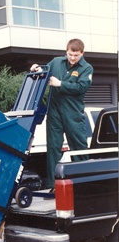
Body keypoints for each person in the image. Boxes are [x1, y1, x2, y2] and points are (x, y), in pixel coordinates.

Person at [30, 39, 94, 191]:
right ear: (66, 51)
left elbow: (81, 87)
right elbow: (44, 71)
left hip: (73, 113)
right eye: (70, 54)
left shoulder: (87, 68)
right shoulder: (56, 62)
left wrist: (61, 84)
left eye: (76, 55)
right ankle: (54, 186)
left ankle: (84, 184)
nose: (73, 58)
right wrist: (36, 68)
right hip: (54, 112)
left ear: (82, 53)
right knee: (53, 148)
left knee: (79, 147)